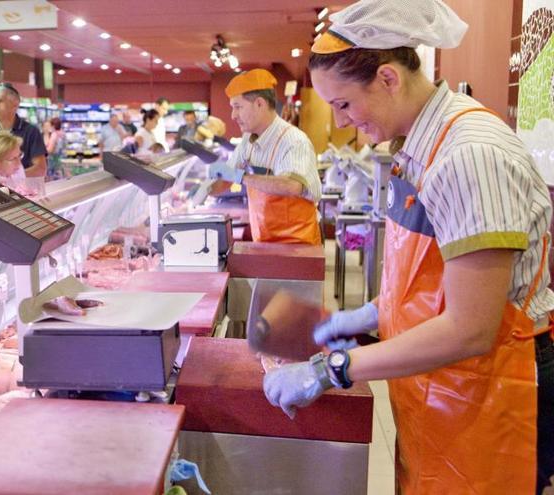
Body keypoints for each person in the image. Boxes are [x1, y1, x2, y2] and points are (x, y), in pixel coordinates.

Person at [259, 1, 554, 493]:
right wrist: (372, 314)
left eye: (345, 104)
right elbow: (435, 281)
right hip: (448, 386)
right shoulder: (419, 145)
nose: (345, 122)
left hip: (495, 388)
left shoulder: (467, 155)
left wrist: (335, 367)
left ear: (389, 79)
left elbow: (471, 328)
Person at [211, 68, 322, 245]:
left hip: (297, 244)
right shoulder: (248, 140)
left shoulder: (294, 140)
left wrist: (241, 177)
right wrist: (207, 188)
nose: (233, 116)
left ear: (260, 104)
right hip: (263, 241)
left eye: (238, 107)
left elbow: (292, 186)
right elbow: (229, 175)